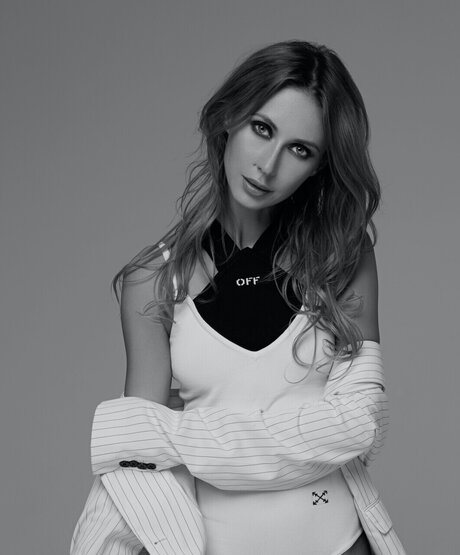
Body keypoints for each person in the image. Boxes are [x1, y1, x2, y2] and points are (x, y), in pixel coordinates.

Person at [71, 40, 406, 555]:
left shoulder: (343, 256)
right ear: (229, 118)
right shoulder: (153, 280)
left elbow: (361, 425)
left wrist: (178, 436)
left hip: (343, 543)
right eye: (262, 129)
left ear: (319, 166)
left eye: (300, 149)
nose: (267, 165)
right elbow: (138, 471)